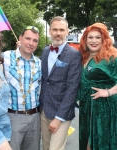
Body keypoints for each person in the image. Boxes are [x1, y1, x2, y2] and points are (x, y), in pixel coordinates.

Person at [77, 22, 117, 150]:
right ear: (85, 39)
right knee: (86, 143)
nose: (94, 41)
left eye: (98, 37)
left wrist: (109, 92)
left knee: (100, 144)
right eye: (90, 37)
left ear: (103, 40)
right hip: (86, 108)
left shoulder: (110, 57)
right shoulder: (84, 57)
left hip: (104, 109)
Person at [40, 16, 81, 150]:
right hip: (44, 110)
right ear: (50, 31)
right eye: (55, 29)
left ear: (67, 31)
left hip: (62, 112)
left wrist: (58, 118)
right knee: (46, 147)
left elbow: (72, 88)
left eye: (61, 30)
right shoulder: (45, 51)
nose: (58, 33)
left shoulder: (74, 54)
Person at [3, 26, 41, 150]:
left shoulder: (39, 63)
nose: (31, 43)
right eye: (28, 39)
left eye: (35, 40)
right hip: (13, 117)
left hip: (35, 116)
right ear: (20, 38)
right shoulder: (5, 57)